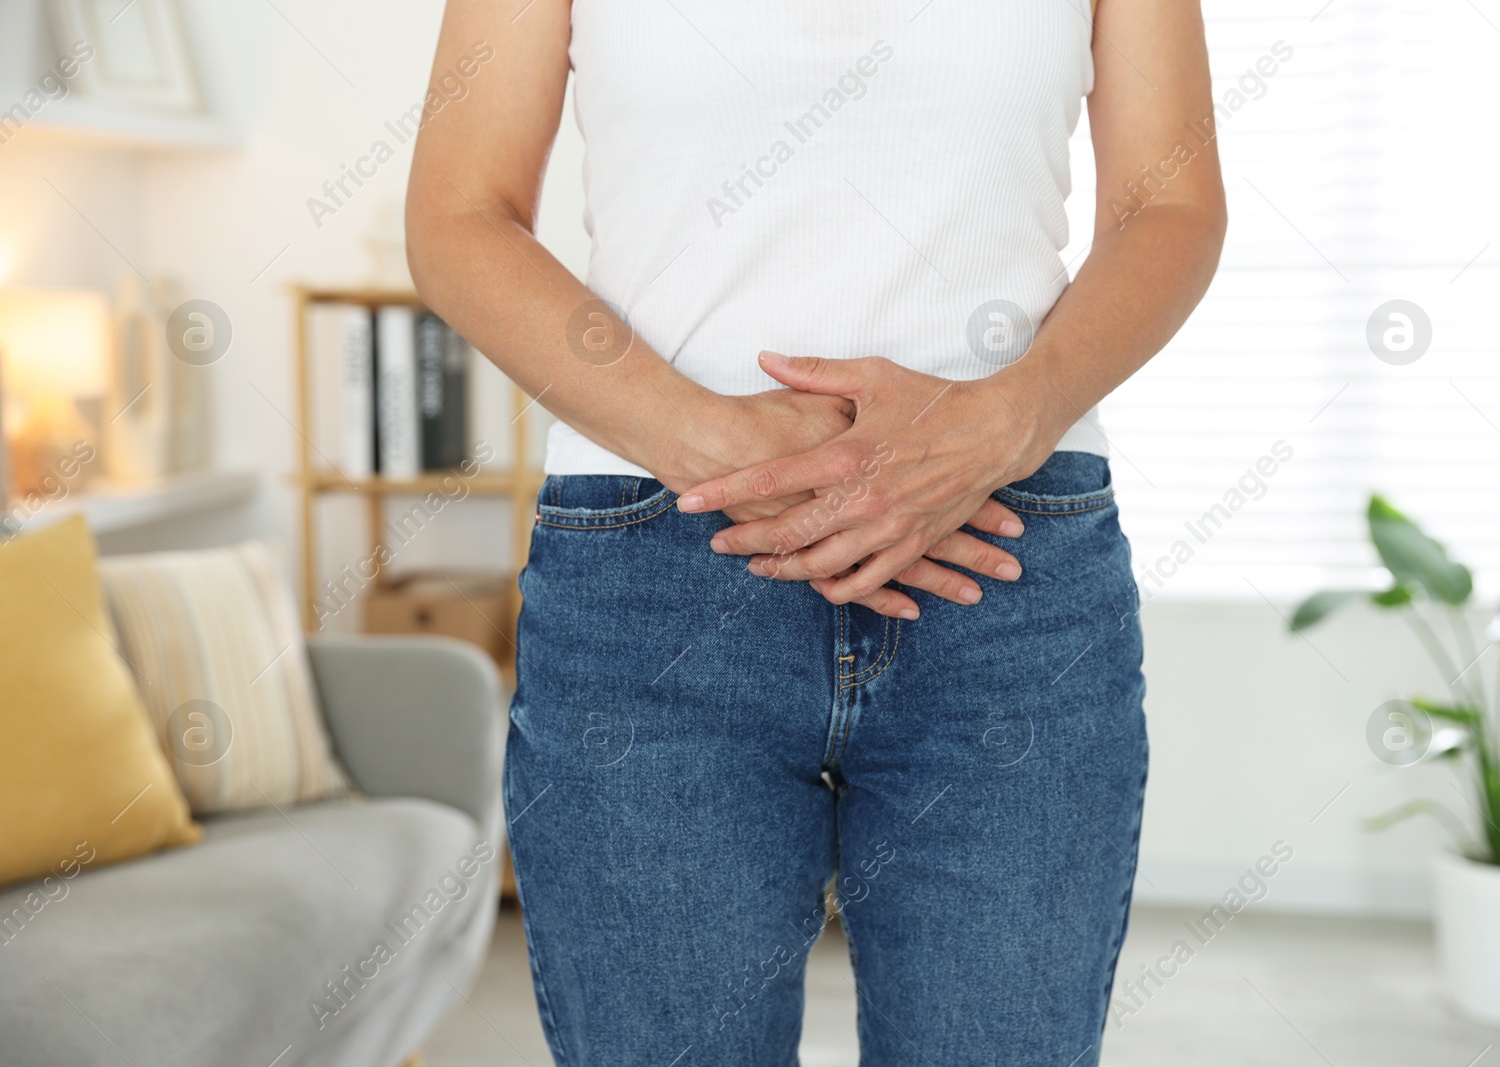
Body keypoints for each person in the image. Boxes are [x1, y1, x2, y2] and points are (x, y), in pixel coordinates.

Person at [406, 1, 1224, 1063]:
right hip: (655, 578)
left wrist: (1009, 413)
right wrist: (700, 435)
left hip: (1003, 567)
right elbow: (459, 215)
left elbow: (1169, 208)